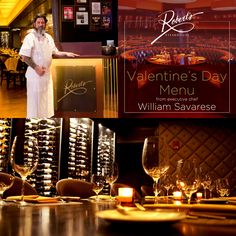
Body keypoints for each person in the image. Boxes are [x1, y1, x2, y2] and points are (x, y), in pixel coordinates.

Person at [19, 14, 78, 118]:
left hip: (46, 75)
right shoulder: (30, 37)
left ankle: (46, 119)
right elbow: (24, 56)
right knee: (35, 102)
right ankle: (34, 120)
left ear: (45, 24)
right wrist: (36, 68)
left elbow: (54, 51)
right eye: (38, 23)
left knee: (46, 101)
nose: (41, 25)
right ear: (34, 24)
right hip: (35, 76)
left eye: (43, 22)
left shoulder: (48, 37)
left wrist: (66, 53)